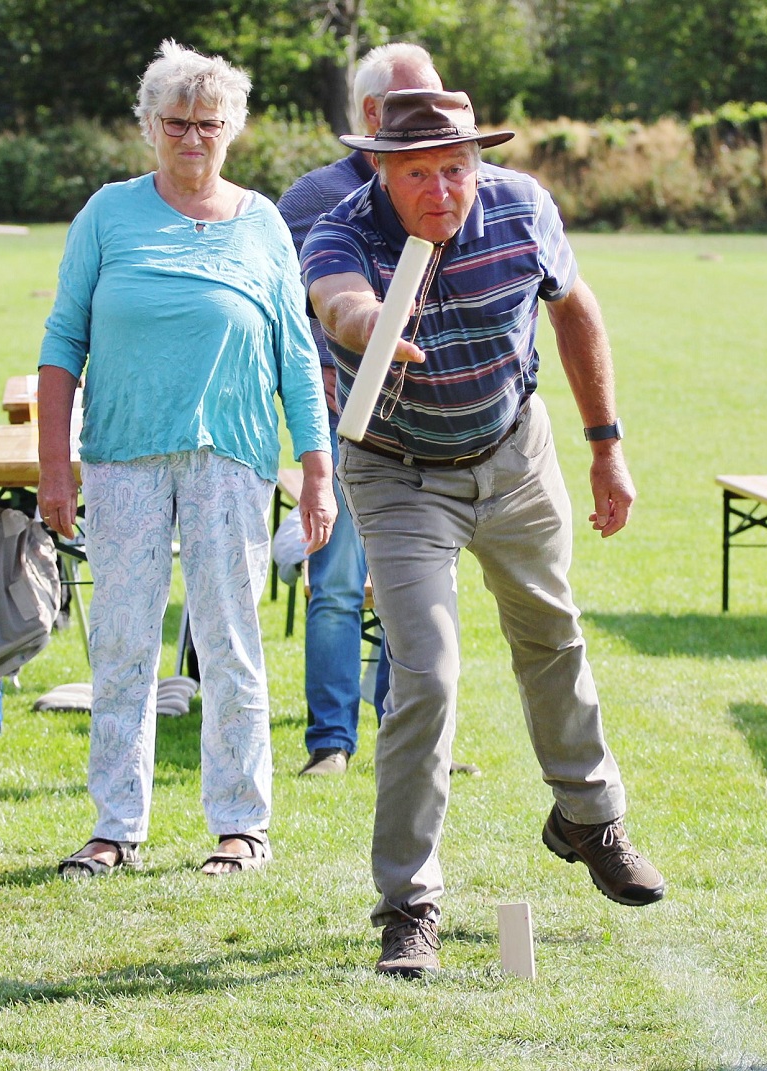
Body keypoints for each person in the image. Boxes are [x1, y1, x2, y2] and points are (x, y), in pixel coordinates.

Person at [303, 90, 666, 976]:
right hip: (397, 473)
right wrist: (371, 327)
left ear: (479, 164)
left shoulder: (522, 206)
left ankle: (588, 816)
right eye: (418, 171)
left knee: (552, 631)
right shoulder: (340, 233)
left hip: (514, 450)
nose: (441, 189)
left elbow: (575, 311)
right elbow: (338, 302)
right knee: (425, 674)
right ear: (380, 169)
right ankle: (409, 906)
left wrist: (606, 447)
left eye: (455, 168)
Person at [38, 41, 334, 879]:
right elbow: (63, 341)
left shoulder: (264, 224)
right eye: (177, 123)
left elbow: (294, 354)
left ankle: (242, 825)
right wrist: (53, 465)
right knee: (122, 645)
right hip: (121, 457)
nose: (193, 139)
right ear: (149, 127)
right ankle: (114, 825)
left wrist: (316, 467)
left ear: (232, 130)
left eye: (209, 124)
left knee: (231, 640)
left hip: (230, 459)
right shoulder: (107, 213)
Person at [277, 44, 440, 778]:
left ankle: (402, 737)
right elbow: (287, 318)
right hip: (346, 428)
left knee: (415, 588)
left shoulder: (445, 188)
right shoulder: (316, 200)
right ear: (373, 114)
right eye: (415, 102)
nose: (433, 117)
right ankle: (331, 744)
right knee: (338, 586)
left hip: (435, 428)